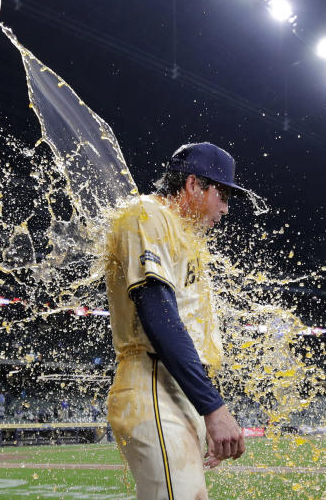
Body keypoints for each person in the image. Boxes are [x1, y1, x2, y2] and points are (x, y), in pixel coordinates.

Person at [104, 143, 247, 500]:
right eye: (223, 194)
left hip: (176, 388)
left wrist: (201, 408)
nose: (225, 209)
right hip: (152, 382)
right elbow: (159, 314)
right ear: (194, 186)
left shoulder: (184, 237)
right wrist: (212, 407)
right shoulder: (147, 214)